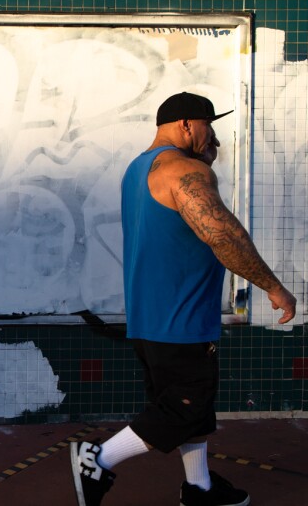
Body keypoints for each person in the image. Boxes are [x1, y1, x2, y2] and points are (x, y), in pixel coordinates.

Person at [70, 92, 298, 506]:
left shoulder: (139, 169)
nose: (214, 136)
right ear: (188, 125)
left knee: (191, 410)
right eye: (208, 125)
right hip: (182, 320)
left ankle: (199, 489)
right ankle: (99, 459)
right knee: (184, 409)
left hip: (150, 318)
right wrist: (273, 287)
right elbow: (223, 236)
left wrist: (203, 163)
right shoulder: (184, 170)